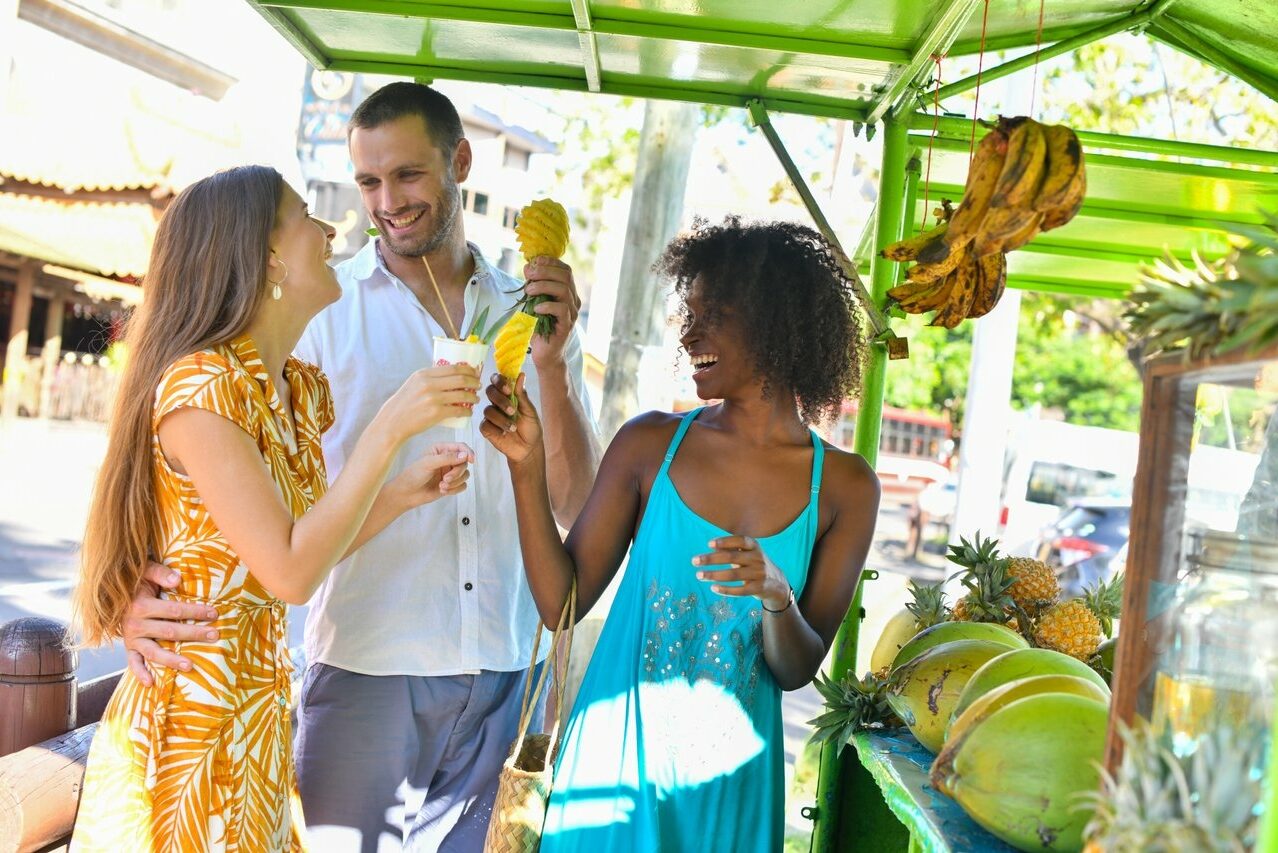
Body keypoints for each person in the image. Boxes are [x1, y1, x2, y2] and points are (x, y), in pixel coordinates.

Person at [122, 84, 600, 850]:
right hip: (365, 666)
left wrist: (554, 369)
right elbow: (201, 469)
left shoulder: (535, 310)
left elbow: (577, 502)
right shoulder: (318, 308)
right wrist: (133, 586)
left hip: (502, 670)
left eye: (407, 175)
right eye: (368, 181)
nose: (384, 202)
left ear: (460, 162)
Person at [70, 165, 480, 850]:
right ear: (267, 258)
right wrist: (388, 429)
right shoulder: (203, 387)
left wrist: (398, 495)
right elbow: (290, 574)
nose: (329, 230)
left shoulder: (293, 388)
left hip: (256, 717)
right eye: (305, 218)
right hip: (192, 727)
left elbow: (293, 545)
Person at [481, 218, 881, 852]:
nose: (689, 335)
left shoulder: (845, 487)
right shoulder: (649, 444)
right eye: (688, 316)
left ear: (778, 324)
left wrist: (777, 596)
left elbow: (797, 669)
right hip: (610, 770)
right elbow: (561, 606)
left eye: (712, 317)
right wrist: (526, 469)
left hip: (730, 793)